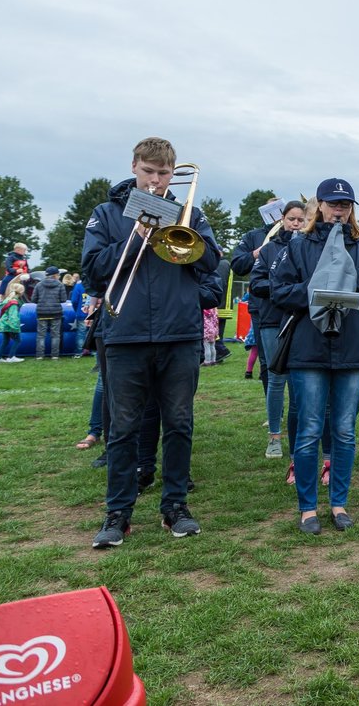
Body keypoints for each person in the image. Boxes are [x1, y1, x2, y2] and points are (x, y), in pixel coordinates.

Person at [84, 137, 222, 549]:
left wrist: (178, 231)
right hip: (124, 334)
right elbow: (92, 272)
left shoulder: (189, 213)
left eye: (164, 173)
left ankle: (175, 506)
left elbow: (213, 262)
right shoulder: (106, 214)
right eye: (149, 171)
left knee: (179, 424)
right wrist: (136, 236)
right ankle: (118, 513)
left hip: (179, 334)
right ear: (134, 167)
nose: (157, 180)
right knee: (123, 428)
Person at [271, 180, 359, 534]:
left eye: (346, 204)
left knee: (344, 431)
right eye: (333, 203)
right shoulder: (298, 247)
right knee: (309, 431)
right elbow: (278, 291)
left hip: (352, 350)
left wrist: (351, 276)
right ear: (320, 205)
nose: (340, 210)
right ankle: (308, 507)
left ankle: (339, 502)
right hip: (308, 350)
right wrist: (315, 288)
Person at [248, 200, 307, 460]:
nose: (296, 223)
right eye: (291, 218)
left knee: (298, 380)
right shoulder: (269, 248)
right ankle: (274, 436)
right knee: (276, 378)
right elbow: (255, 283)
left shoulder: (308, 246)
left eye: (301, 219)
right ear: (282, 219)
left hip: (300, 320)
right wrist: (281, 287)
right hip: (272, 319)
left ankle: (299, 434)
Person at [231, 198, 281, 391]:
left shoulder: (297, 234)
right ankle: (274, 413)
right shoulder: (253, 236)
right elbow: (238, 264)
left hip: (291, 304)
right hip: (261, 306)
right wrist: (256, 253)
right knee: (266, 361)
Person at [32, 266, 68, 359]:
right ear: (55, 275)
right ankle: (55, 356)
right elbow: (64, 299)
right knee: (55, 335)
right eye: (58, 274)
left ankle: (40, 356)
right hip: (56, 312)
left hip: (41, 312)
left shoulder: (39, 285)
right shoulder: (60, 285)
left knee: (41, 335)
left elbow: (33, 299)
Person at [0, 282, 25, 363]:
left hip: (4, 323)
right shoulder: (14, 302)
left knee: (5, 341)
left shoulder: (7, 299)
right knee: (18, 340)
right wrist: (15, 327)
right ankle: (11, 357)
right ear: (21, 292)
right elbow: (13, 315)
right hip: (10, 324)